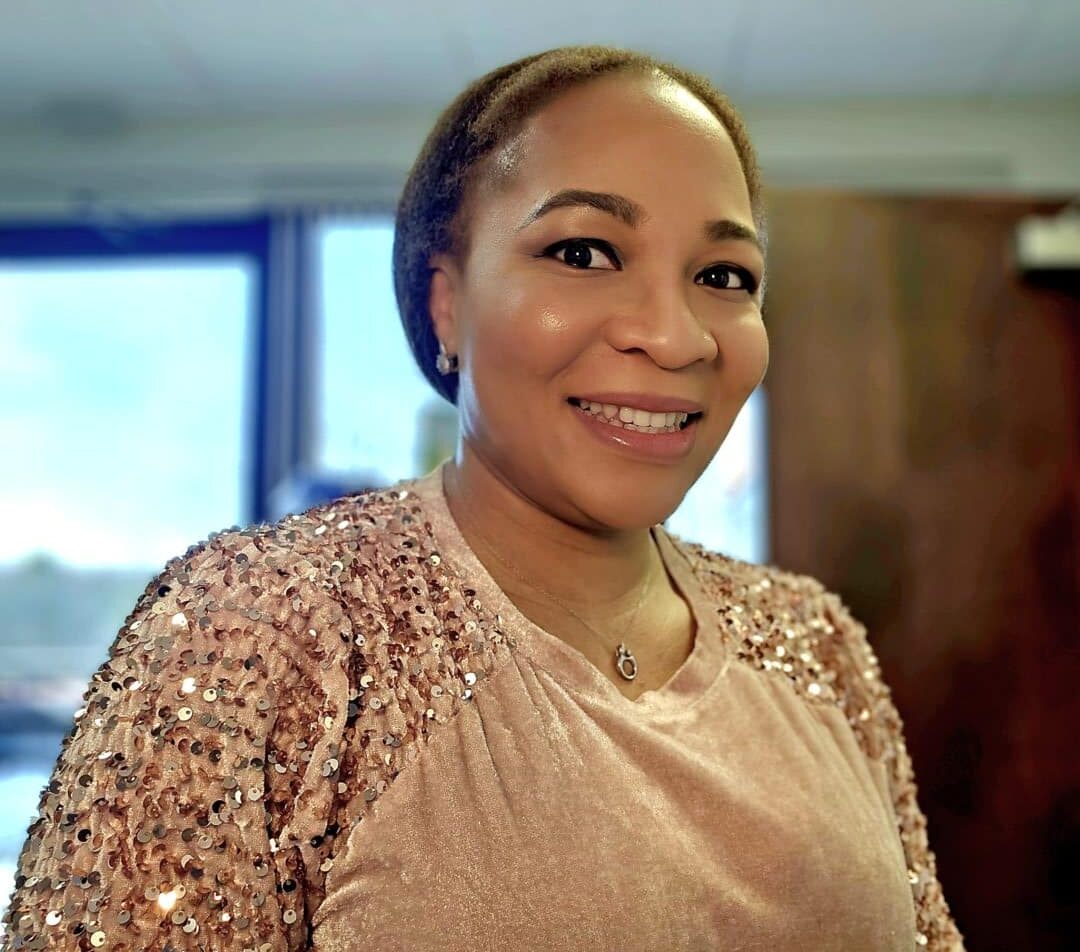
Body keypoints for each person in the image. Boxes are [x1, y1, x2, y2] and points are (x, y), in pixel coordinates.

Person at [1, 45, 966, 951]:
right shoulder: (259, 626)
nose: (676, 338)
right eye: (584, 252)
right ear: (444, 302)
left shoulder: (818, 641)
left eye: (723, 275)